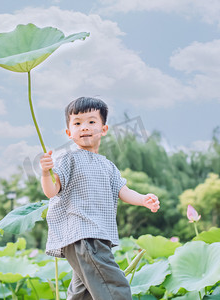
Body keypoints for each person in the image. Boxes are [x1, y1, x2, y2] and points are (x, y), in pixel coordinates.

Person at [40, 97, 160, 300]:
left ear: (104, 129)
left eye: (91, 122)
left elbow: (123, 191)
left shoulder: (108, 166)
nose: (84, 127)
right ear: (69, 133)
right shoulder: (68, 159)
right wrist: (45, 173)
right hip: (83, 234)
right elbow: (52, 190)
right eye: (77, 123)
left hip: (98, 234)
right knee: (115, 287)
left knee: (82, 293)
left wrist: (143, 199)